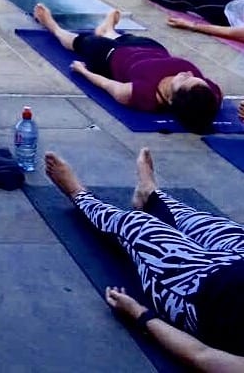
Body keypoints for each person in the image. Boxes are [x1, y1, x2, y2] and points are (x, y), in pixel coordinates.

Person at [45, 147, 244, 367]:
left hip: (198, 288)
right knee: (207, 225)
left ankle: (78, 194)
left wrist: (140, 314)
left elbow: (200, 355)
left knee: (139, 226)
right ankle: (149, 193)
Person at [32, 2, 223, 133]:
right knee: (117, 36)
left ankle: (52, 26)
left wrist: (84, 71)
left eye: (185, 79)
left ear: (172, 99)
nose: (187, 73)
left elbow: (107, 85)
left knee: (79, 42)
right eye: (194, 77)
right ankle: (107, 30)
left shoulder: (141, 94)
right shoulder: (210, 94)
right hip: (150, 48)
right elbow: (207, 106)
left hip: (110, 56)